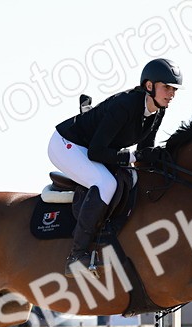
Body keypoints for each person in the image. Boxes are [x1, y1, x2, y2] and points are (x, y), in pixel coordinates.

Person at [49, 58, 183, 272]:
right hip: (67, 144)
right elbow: (96, 152)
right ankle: (76, 256)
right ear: (149, 86)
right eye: (166, 87)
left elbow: (144, 150)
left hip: (91, 147)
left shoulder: (158, 111)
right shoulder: (126, 105)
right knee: (105, 184)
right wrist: (134, 156)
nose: (172, 94)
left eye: (174, 89)